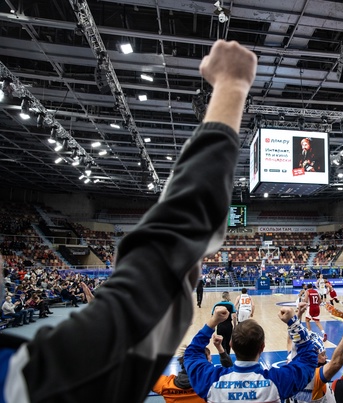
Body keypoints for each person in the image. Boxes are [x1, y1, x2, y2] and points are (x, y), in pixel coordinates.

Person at [0, 39, 257, 402]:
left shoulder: (21, 376)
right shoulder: (23, 377)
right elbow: (159, 269)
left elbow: (159, 272)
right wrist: (232, 85)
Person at [184, 305, 320, 402]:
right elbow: (308, 358)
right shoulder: (278, 382)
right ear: (262, 347)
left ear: (231, 344)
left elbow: (191, 354)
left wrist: (213, 322)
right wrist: (294, 323)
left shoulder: (210, 381)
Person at [291, 313, 343, 403]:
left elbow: (293, 342)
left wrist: (298, 316)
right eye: (323, 355)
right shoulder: (313, 378)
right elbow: (336, 362)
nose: (326, 357)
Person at [153, 335, 233, 402]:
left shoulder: (164, 385)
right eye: (209, 361)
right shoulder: (209, 382)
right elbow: (230, 372)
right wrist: (219, 348)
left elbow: (146, 376)